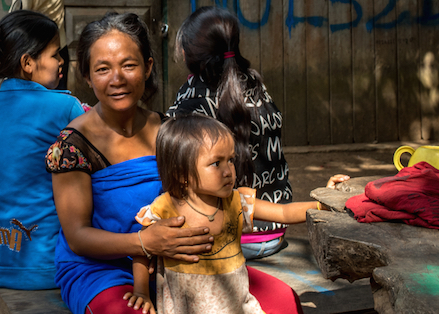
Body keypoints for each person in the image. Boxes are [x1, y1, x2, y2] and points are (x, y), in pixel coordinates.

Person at [46, 12, 306, 314]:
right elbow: (77, 237)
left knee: (282, 300)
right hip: (102, 270)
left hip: (181, 265)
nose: (117, 79)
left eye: (129, 65)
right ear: (88, 77)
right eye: (103, 69)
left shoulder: (173, 132)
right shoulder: (71, 147)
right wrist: (145, 242)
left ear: (147, 68)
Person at [125, 115, 348, 314]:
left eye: (230, 160)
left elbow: (283, 212)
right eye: (216, 163)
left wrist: (324, 202)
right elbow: (143, 250)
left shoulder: (235, 202)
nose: (228, 171)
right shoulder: (165, 208)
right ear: (182, 174)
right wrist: (142, 292)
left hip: (237, 306)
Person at [0, 10, 85, 289]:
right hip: (48, 266)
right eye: (55, 55)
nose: (62, 61)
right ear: (28, 63)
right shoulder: (65, 108)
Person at [169, 6, 291, 259]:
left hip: (228, 239)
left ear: (186, 53)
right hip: (274, 232)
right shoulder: (255, 83)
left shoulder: (192, 96)